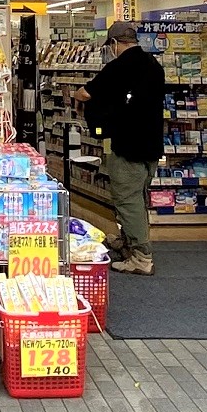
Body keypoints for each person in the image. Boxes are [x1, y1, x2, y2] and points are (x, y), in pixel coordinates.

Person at [78, 19, 165, 274]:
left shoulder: (118, 67)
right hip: (151, 143)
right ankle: (128, 242)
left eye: (111, 45)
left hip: (128, 144)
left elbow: (86, 93)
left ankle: (141, 258)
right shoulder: (154, 65)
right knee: (139, 197)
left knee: (127, 200)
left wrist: (76, 96)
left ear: (115, 42)